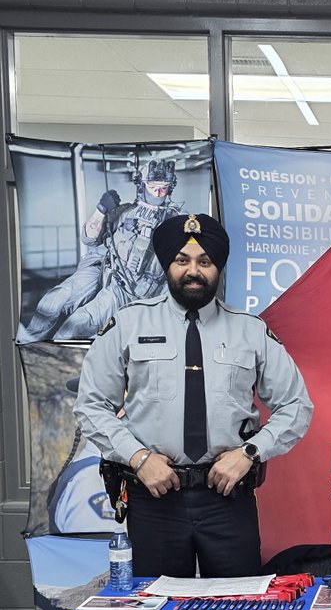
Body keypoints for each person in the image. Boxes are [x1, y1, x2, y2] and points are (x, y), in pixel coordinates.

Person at [74, 212, 313, 578]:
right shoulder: (128, 324)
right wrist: (138, 458)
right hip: (153, 498)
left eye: (205, 261)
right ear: (167, 265)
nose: (193, 271)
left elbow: (296, 405)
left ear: (218, 267)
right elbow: (91, 405)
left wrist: (249, 453)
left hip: (227, 498)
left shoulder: (250, 331)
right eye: (182, 260)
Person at [18, 160, 180, 342]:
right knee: (53, 301)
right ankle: (28, 344)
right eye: (152, 186)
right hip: (104, 268)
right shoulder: (124, 212)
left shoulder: (177, 224)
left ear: (170, 188)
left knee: (73, 328)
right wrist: (101, 210)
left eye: (163, 187)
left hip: (129, 287)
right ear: (142, 186)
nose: (158, 193)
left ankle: (58, 361)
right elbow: (89, 239)